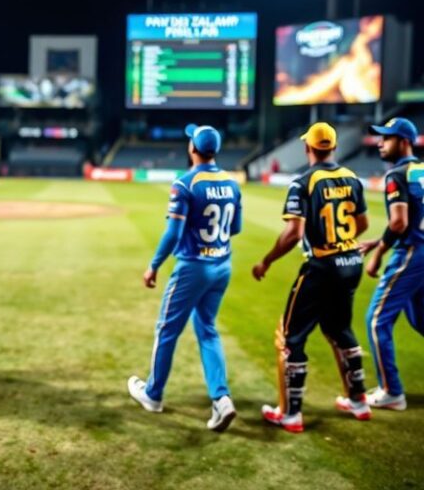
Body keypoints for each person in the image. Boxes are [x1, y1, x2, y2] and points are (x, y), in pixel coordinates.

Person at [252, 122, 371, 433]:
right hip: (351, 264)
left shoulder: (303, 182)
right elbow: (363, 223)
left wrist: (266, 261)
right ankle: (359, 401)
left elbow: (294, 233)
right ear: (332, 147)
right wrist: (343, 244)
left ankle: (290, 414)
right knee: (340, 329)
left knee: (291, 340)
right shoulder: (352, 178)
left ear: (308, 148)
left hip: (321, 268)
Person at [128, 124, 242, 432]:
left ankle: (153, 394)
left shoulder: (185, 184)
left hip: (193, 267)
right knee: (208, 330)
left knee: (166, 329)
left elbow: (173, 232)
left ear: (193, 148)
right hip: (222, 265)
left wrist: (153, 265)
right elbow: (235, 229)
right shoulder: (232, 183)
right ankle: (221, 399)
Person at [360, 117, 424, 411]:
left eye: (387, 138)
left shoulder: (397, 174)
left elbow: (399, 221)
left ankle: (391, 391)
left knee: (377, 319)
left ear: (404, 141)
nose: (380, 142)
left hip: (412, 253)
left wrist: (378, 253)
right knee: (421, 318)